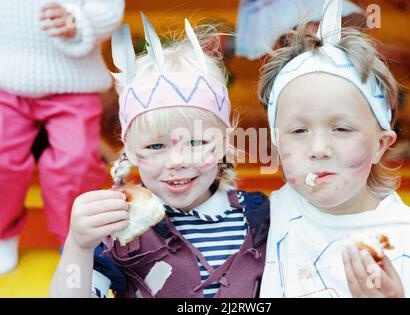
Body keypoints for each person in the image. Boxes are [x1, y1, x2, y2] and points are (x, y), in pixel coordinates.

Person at [49, 14, 270, 298]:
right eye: (156, 146)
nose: (177, 161)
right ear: (129, 149)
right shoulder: (117, 226)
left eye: (196, 142)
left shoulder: (259, 217)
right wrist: (79, 246)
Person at [258, 0, 410, 297]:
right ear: (276, 144)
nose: (318, 149)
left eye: (342, 129)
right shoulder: (264, 220)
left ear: (380, 145)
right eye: (298, 131)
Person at [0, 0, 125, 275]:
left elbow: (109, 8)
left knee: (75, 163)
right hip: (6, 80)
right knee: (3, 161)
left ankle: (75, 241)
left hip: (74, 82)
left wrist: (78, 21)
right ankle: (2, 233)